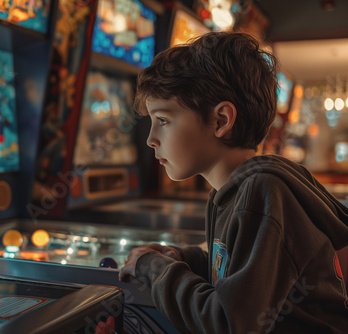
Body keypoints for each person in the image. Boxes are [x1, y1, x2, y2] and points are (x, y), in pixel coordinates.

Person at [118, 32, 348, 333]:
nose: (150, 139)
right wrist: (183, 257)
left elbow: (228, 323)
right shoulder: (232, 190)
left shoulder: (263, 192)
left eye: (163, 120)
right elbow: (236, 270)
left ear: (221, 121)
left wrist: (155, 268)